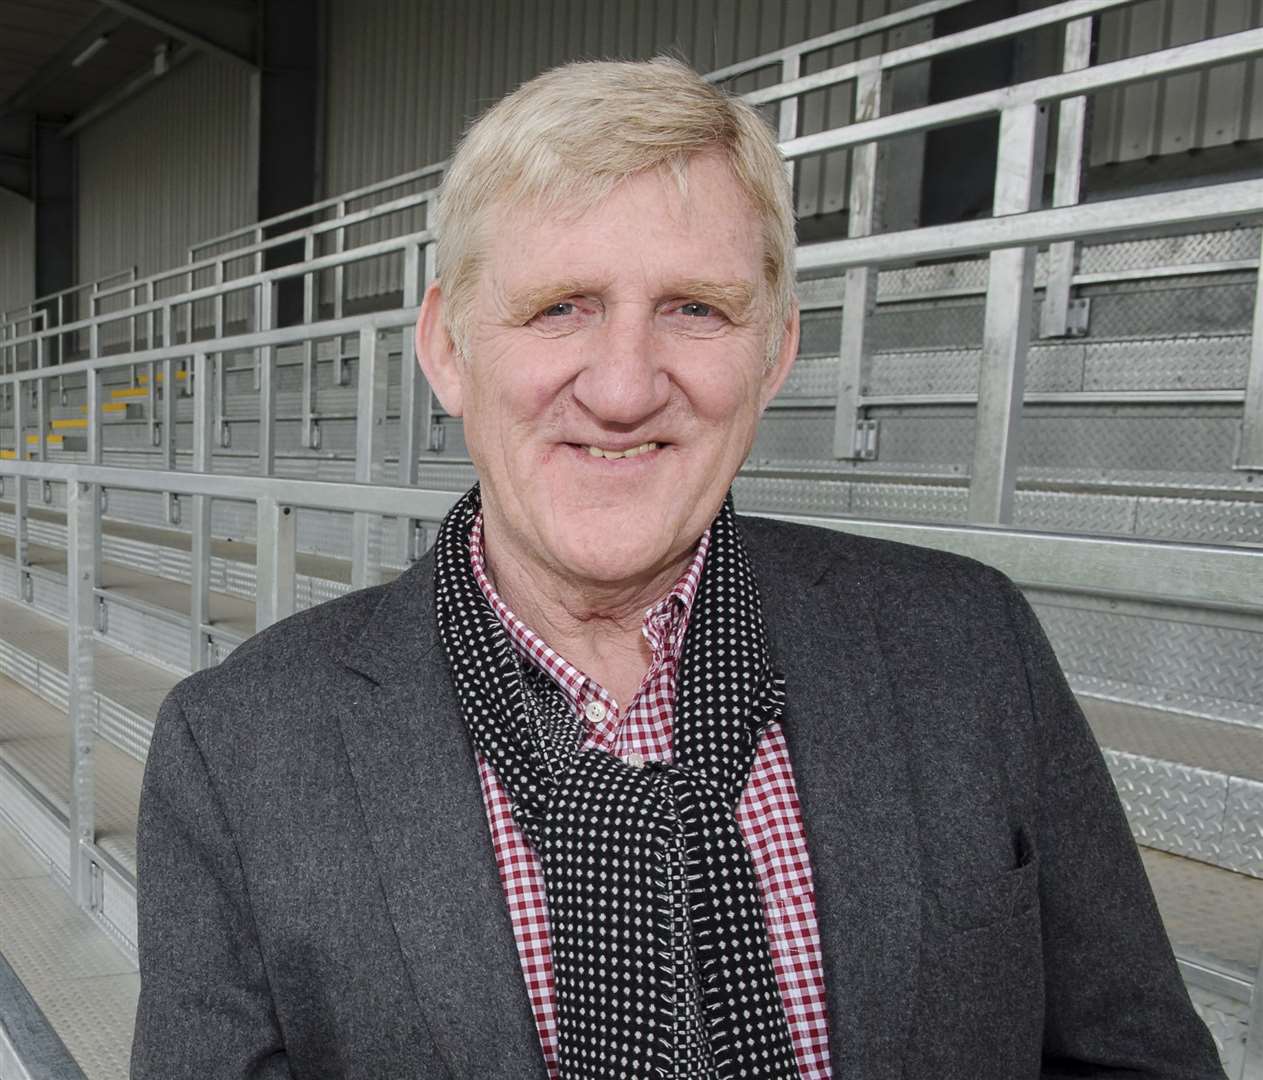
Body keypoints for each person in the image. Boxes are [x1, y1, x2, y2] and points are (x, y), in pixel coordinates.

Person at [130, 58, 1226, 1080]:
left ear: (776, 351)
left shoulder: (969, 646)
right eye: (561, 306)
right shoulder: (238, 752)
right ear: (449, 348)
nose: (621, 386)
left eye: (694, 310)